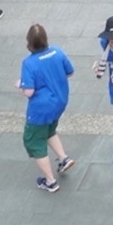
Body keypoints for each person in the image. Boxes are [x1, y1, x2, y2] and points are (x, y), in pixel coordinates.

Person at [18, 21, 75, 193]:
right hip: (59, 103)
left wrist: (20, 84)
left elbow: (28, 92)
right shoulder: (57, 52)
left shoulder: (29, 63)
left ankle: (50, 181)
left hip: (40, 109)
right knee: (50, 130)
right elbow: (70, 72)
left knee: (35, 141)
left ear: (29, 42)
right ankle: (63, 158)